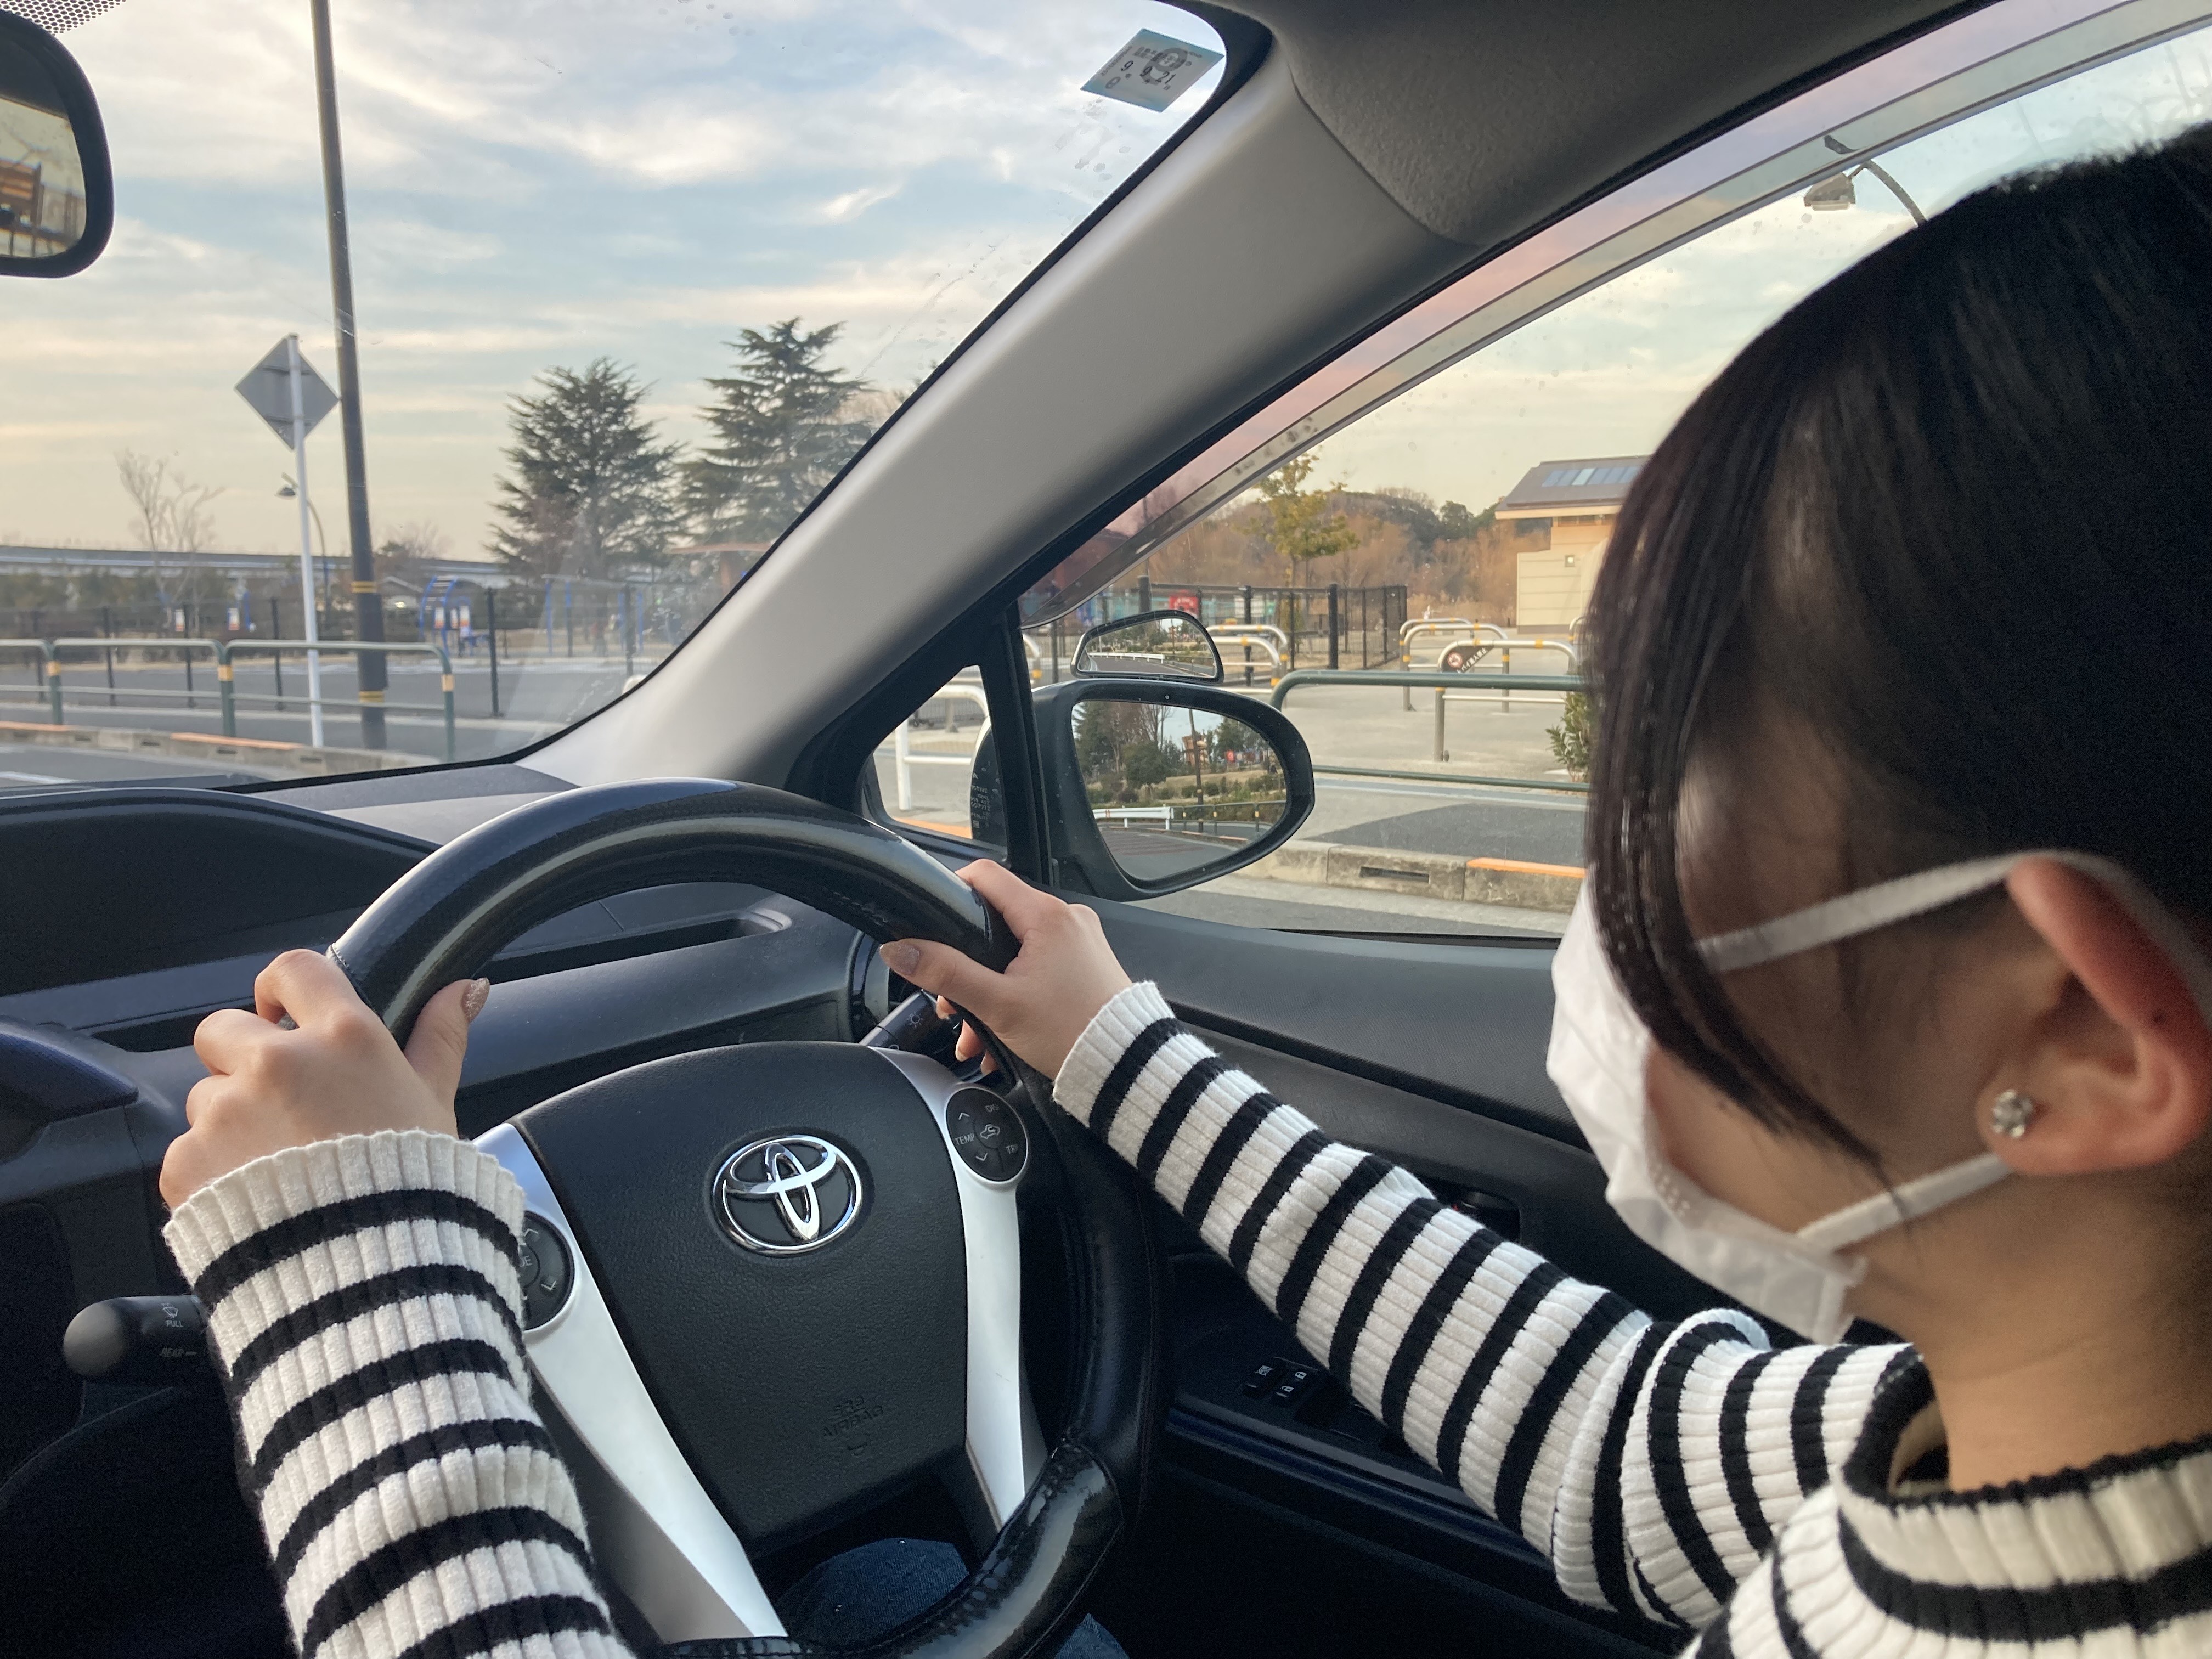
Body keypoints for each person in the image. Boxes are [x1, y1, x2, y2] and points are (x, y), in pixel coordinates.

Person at [156, 130, 2212, 1658]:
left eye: (1654, 785)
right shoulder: (2025, 1441)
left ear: (2078, 1033)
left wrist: (356, 1274)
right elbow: (1617, 1446)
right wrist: (1116, 1058)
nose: (1605, 879)